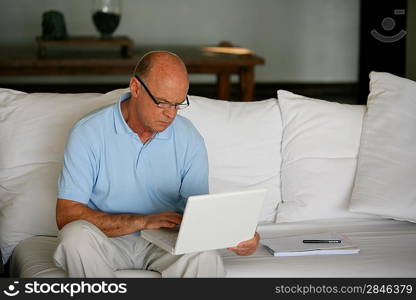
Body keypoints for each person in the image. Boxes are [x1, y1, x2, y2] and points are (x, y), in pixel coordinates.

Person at [53, 51, 260, 278]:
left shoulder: (188, 137)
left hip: (165, 242)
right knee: (74, 238)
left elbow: (199, 211)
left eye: (178, 104)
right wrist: (142, 221)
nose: (170, 114)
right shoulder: (88, 132)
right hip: (106, 240)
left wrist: (238, 233)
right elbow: (67, 215)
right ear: (135, 87)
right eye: (162, 102)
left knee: (205, 256)